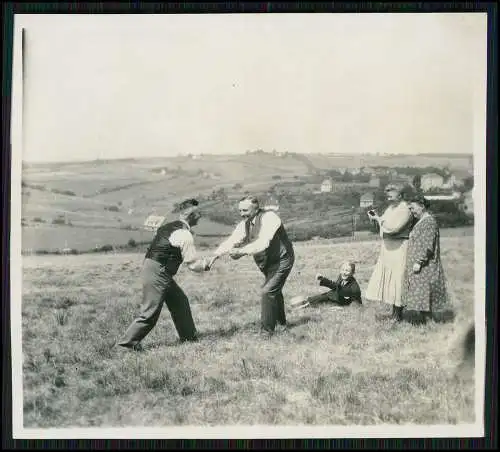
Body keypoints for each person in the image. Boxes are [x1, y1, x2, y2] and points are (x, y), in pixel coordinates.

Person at [117, 199, 213, 350]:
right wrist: (206, 264)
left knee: (180, 301)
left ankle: (189, 338)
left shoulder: (168, 227)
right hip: (159, 272)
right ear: (190, 215)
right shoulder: (184, 234)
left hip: (155, 269)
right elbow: (193, 265)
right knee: (150, 313)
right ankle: (125, 346)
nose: (200, 216)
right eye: (198, 213)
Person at [209, 196, 295, 336]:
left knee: (267, 291)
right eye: (240, 210)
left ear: (256, 207)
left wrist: (241, 251)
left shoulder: (270, 218)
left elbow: (263, 243)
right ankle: (282, 324)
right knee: (274, 291)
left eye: (245, 210)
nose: (242, 214)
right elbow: (231, 240)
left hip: (282, 259)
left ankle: (267, 332)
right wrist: (214, 256)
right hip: (266, 263)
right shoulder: (245, 224)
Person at [401, 194, 453, 325]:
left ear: (422, 206)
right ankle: (425, 321)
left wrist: (419, 261)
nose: (411, 212)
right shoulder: (422, 221)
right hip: (420, 265)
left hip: (425, 266)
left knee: (425, 293)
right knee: (422, 293)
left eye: (413, 208)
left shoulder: (429, 222)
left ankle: (427, 322)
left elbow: (428, 245)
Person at [365, 184, 414, 321]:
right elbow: (383, 226)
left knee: (398, 279)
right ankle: (394, 313)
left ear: (400, 195)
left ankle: (398, 314)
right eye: (387, 194)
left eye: (391, 194)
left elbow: (394, 228)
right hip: (388, 247)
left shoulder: (405, 209)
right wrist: (376, 220)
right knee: (391, 280)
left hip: (399, 247)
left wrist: (378, 219)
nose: (388, 197)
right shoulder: (390, 208)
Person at [290, 261, 362, 309]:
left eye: (347, 271)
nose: (344, 273)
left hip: (341, 302)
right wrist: (322, 279)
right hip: (335, 296)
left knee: (325, 298)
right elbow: (336, 286)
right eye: (342, 270)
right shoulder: (341, 276)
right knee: (323, 297)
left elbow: (357, 304)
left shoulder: (355, 288)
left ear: (353, 273)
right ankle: (306, 301)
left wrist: (341, 308)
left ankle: (305, 303)